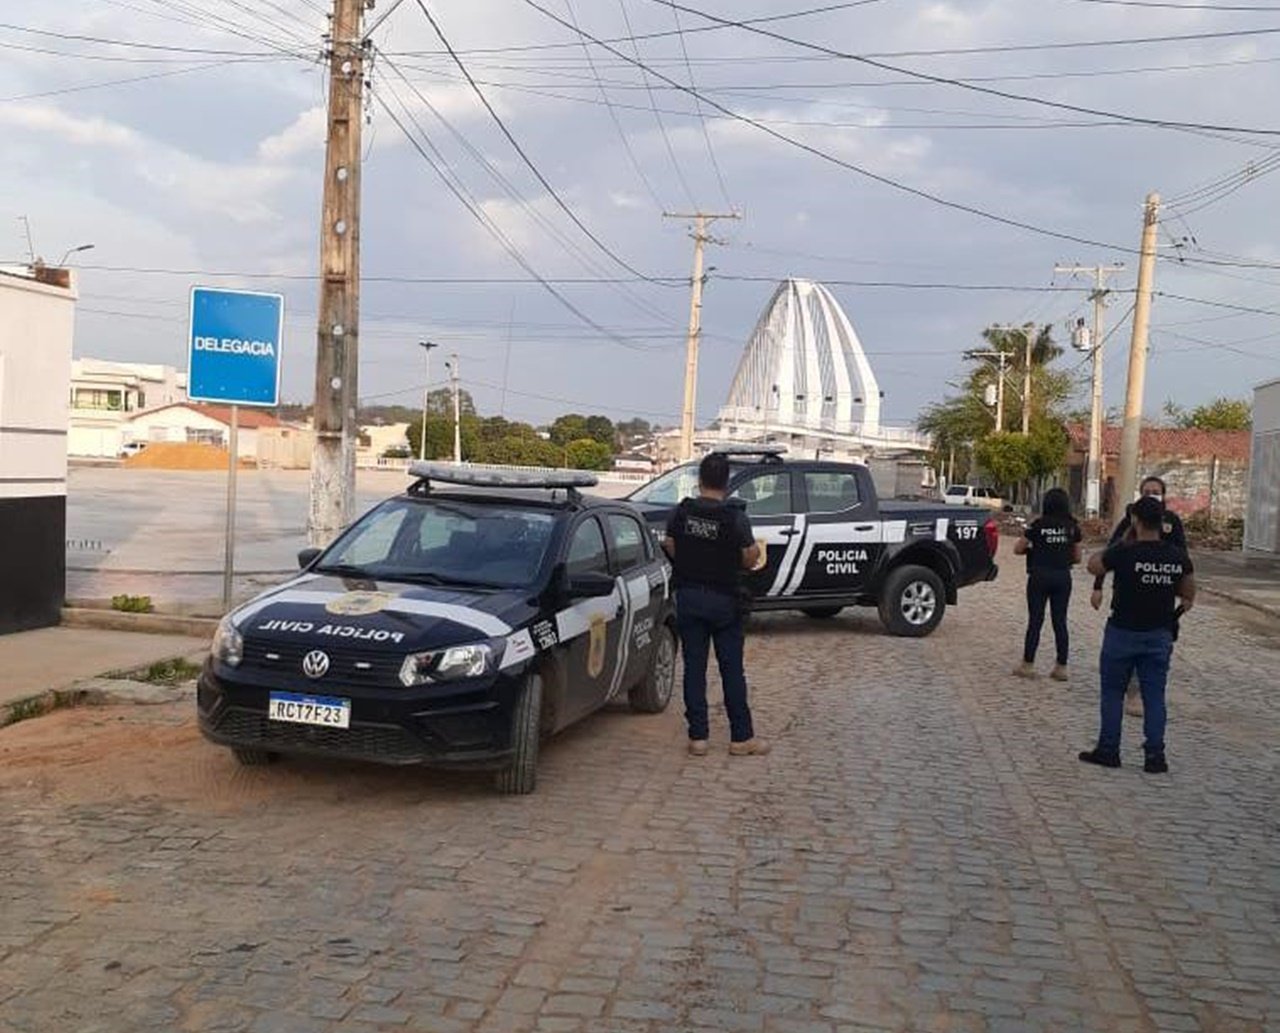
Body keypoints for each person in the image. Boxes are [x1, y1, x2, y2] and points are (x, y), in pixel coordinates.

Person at [662, 453, 770, 758]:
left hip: (690, 598)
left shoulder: (681, 513)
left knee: (694, 669)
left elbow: (670, 545)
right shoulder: (735, 517)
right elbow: (750, 557)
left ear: (700, 480)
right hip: (725, 601)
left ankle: (698, 737)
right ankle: (741, 738)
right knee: (731, 669)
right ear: (726, 482)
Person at [1080, 495, 1196, 774]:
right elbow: (1188, 594)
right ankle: (1155, 756)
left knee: (1112, 692)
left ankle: (1109, 750)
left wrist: (1122, 542)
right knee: (1154, 695)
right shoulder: (1177, 557)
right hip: (1158, 635)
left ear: (1135, 520)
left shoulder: (1125, 551)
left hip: (1122, 632)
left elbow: (1094, 565)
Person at [1091, 475, 1188, 716]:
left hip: (1161, 595)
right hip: (1128, 592)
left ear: (1163, 495)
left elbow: (1184, 557)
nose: (1151, 495)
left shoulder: (1172, 522)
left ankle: (1138, 693)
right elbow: (1109, 555)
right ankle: (1128, 690)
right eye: (1147, 491)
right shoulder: (1130, 521)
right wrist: (1098, 586)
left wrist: (1182, 591)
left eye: (1156, 491)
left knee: (1154, 644)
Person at [1013, 487, 1082, 681]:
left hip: (1039, 576)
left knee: (1035, 620)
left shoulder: (1037, 525)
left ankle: (1028, 664)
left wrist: (1034, 551)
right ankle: (1061, 667)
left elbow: (1018, 549)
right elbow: (1077, 558)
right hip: (1062, 577)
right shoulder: (1072, 527)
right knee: (1060, 621)